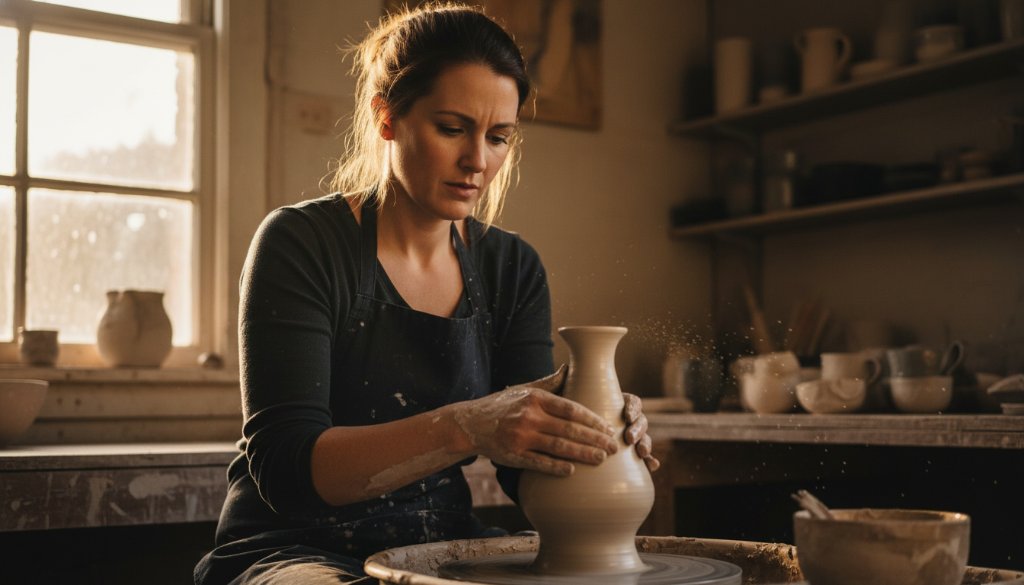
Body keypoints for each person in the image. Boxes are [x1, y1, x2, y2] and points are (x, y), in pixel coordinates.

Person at [195, 4, 658, 584]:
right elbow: (286, 468)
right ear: (386, 117)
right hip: (294, 548)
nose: (477, 162)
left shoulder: (512, 268)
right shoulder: (302, 243)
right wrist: (469, 424)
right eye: (452, 128)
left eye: (498, 137)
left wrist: (591, 431)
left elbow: (524, 475)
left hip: (444, 544)